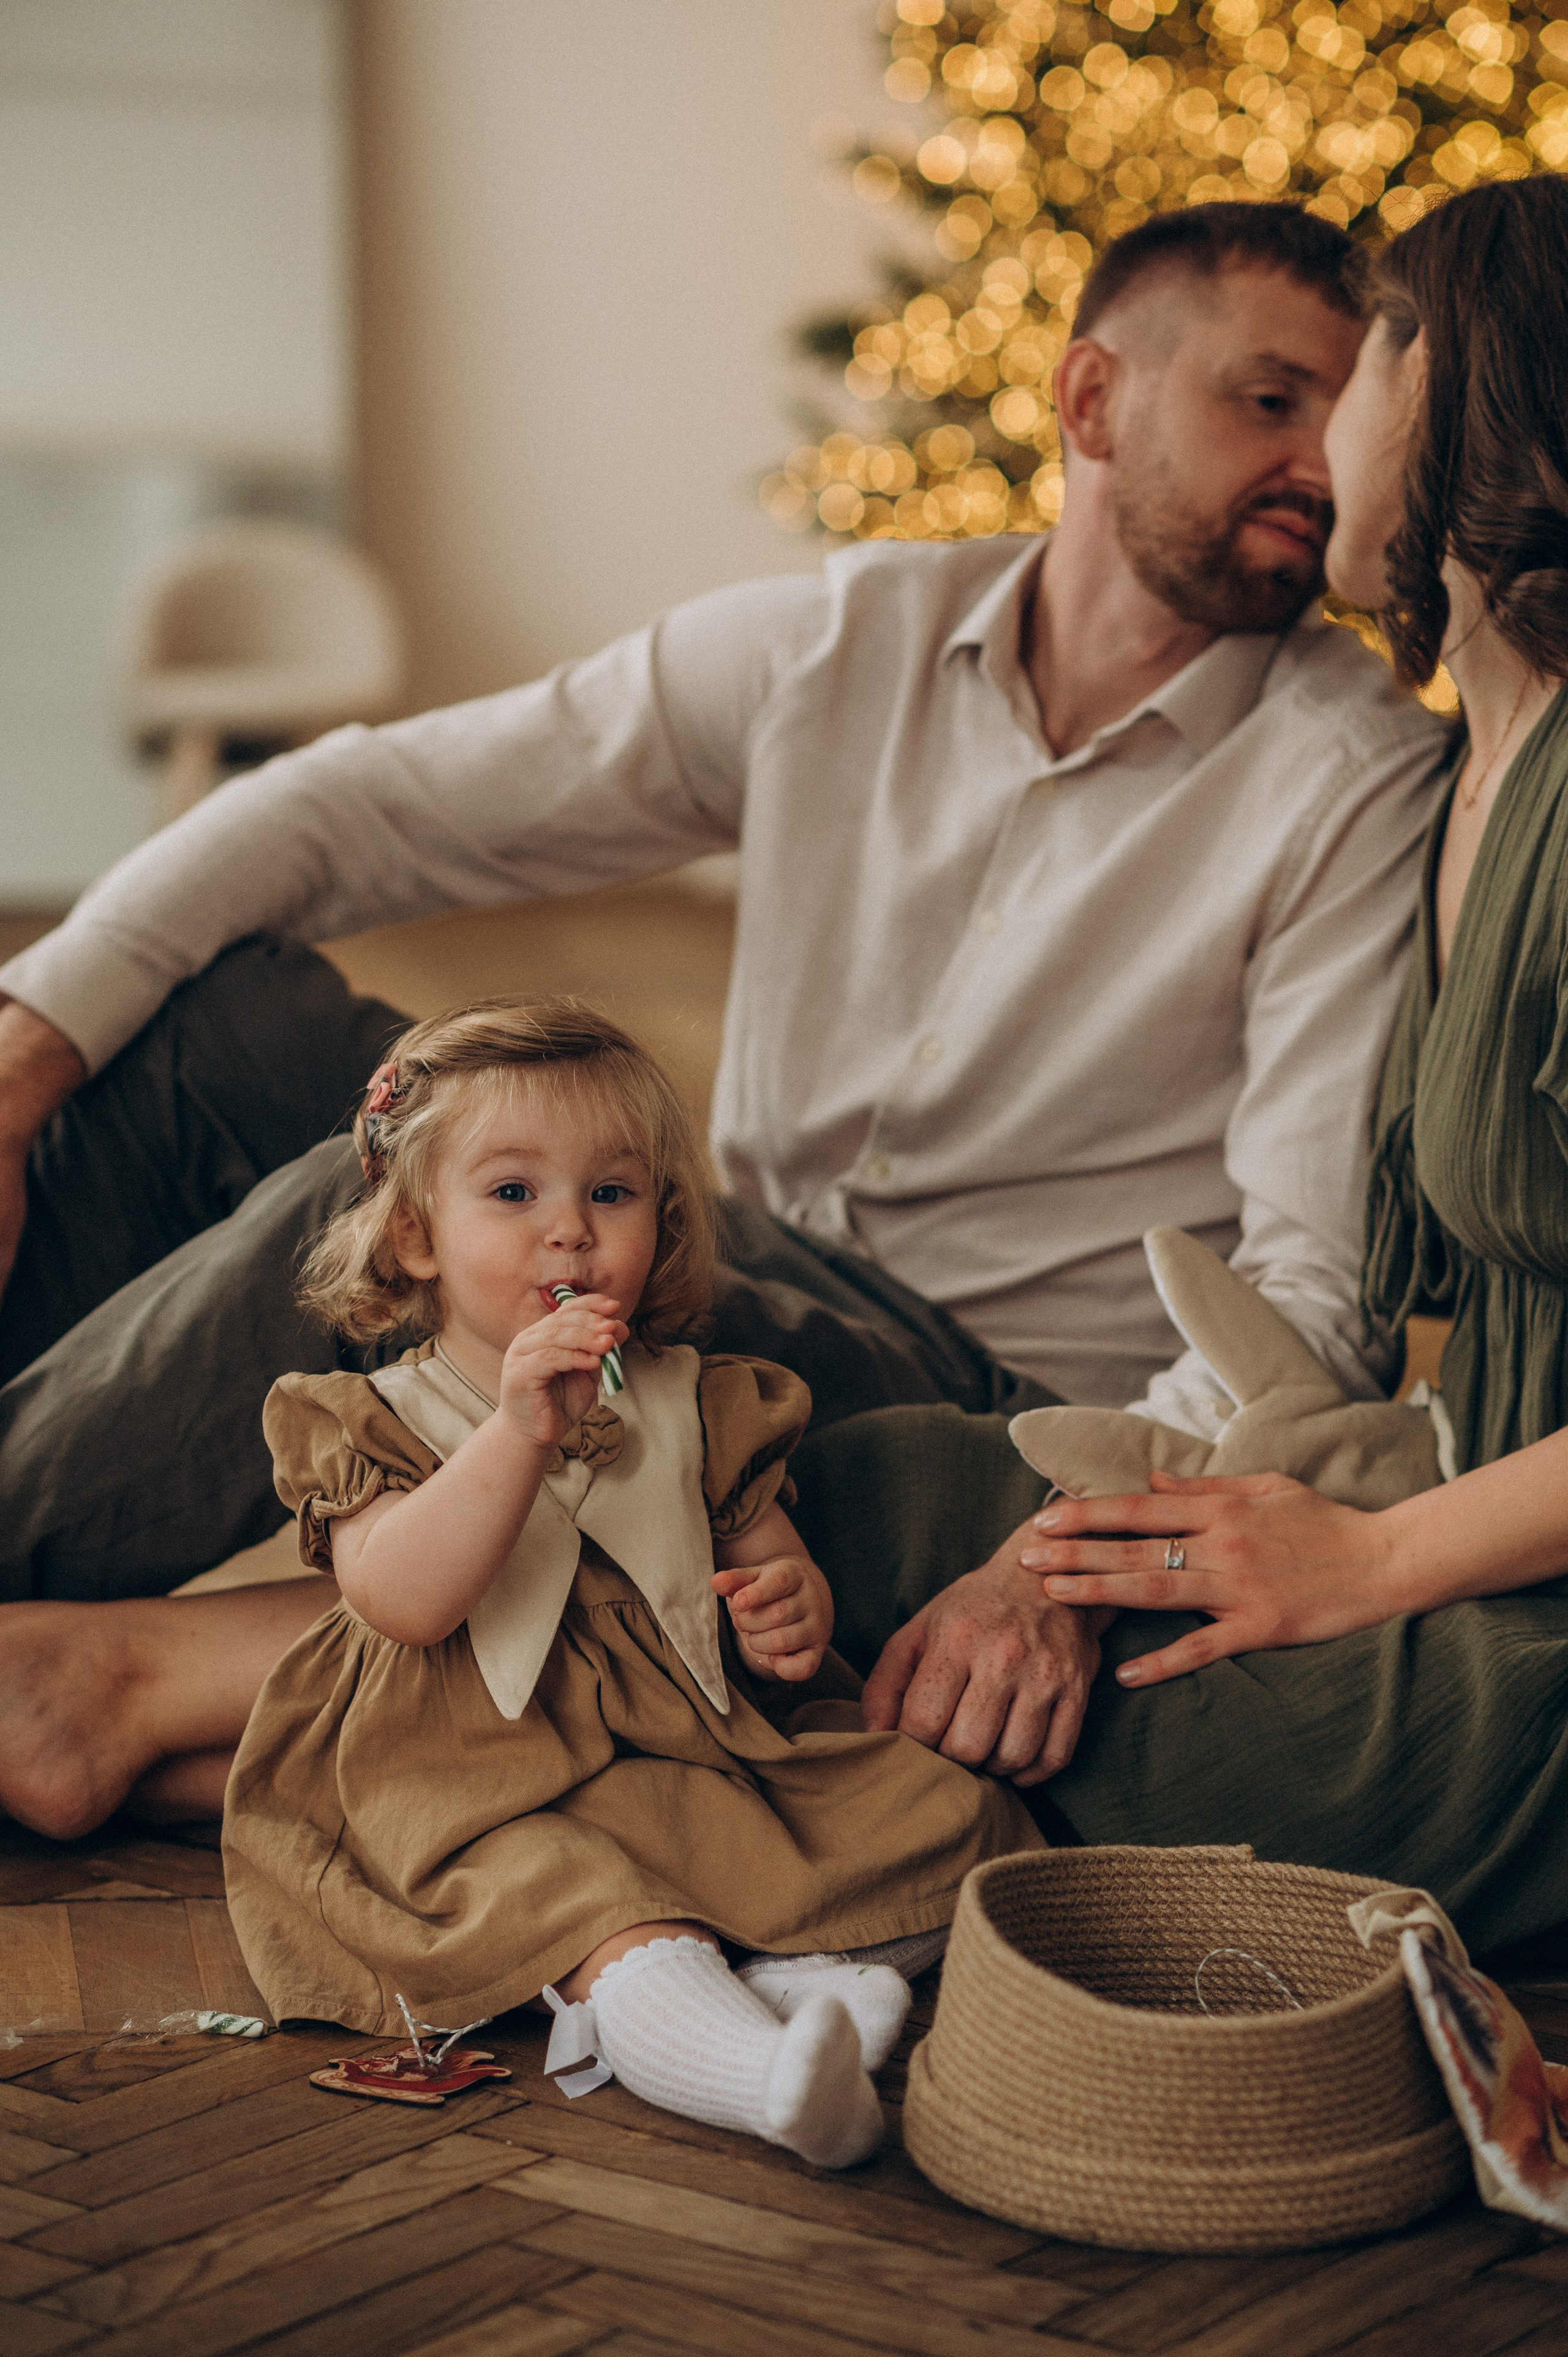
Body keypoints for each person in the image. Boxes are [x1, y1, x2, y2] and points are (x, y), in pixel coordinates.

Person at [0, 202, 1449, 1833]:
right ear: (1093, 400)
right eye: (1267, 400)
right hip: (717, 1245)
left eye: (1343, 419)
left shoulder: (1357, 776)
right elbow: (356, 807)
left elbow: (1312, 1294)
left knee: (412, 1185)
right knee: (226, 1036)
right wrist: (17, 1062)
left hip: (951, 1377)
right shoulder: (839, 646)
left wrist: (1060, 1559)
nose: (1319, 465)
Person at [793, 175, 1568, 1962]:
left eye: (1358, 363)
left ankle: (262, 1735)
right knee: (884, 1485)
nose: (1319, 440)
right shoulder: (1464, 774)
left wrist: (1372, 1565)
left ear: (1463, 390)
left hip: (1518, 1624)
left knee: (1097, 1687)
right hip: (1454, 1510)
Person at [221, 1000, 1037, 2165]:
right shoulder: (367, 1419)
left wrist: (791, 1614)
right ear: (414, 1236)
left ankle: (807, 1990)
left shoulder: (704, 1398)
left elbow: (767, 1569)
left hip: (687, 1752)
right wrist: (513, 1434)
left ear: (662, 1219)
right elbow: (403, 1600)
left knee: (945, 1814)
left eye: (610, 1194)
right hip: (477, 1780)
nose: (569, 1234)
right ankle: (763, 2081)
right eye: (513, 1195)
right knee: (602, 1908)